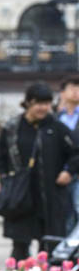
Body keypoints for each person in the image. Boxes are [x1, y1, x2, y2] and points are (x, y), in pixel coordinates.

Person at [0, 82, 79, 261]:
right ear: (28, 103)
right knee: (19, 248)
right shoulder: (12, 127)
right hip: (20, 196)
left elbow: (76, 153)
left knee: (49, 248)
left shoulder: (56, 127)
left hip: (50, 195)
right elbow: (0, 157)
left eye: (47, 103)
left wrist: (69, 171)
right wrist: (3, 179)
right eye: (39, 103)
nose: (44, 108)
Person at [57, 76, 79, 231]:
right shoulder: (56, 118)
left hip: (76, 173)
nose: (76, 92)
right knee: (64, 216)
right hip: (59, 175)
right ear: (62, 93)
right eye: (72, 88)